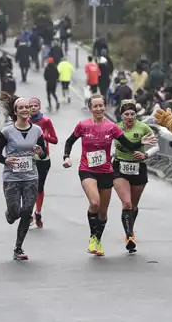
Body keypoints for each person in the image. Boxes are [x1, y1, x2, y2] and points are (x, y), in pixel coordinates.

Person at [62, 94, 157, 256]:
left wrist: (141, 143)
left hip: (106, 171)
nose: (98, 109)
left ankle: (98, 240)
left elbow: (128, 146)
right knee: (95, 203)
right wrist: (66, 157)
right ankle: (93, 238)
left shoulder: (112, 127)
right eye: (95, 106)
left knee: (103, 212)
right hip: (87, 169)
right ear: (90, 108)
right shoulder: (83, 125)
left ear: (105, 107)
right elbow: (70, 141)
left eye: (101, 106)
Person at [0, 95, 48, 260]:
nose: (25, 110)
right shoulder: (7, 131)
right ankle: (10, 214)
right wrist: (5, 160)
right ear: (15, 111)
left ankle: (18, 247)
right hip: (12, 178)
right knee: (15, 212)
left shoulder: (37, 130)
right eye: (21, 108)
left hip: (31, 176)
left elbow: (43, 152)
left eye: (27, 107)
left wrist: (40, 152)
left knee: (26, 212)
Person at [112, 100, 159, 253]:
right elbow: (108, 145)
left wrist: (145, 154)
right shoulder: (116, 128)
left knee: (133, 205)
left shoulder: (143, 127)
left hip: (138, 168)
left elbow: (156, 146)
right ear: (121, 115)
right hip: (120, 167)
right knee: (126, 203)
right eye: (126, 114)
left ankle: (129, 227)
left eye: (132, 114)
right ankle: (130, 236)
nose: (130, 116)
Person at [29, 97, 58, 228]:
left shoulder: (45, 121)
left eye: (36, 105)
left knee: (39, 187)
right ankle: (28, 214)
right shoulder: (25, 120)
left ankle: (38, 212)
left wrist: (42, 135)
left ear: (39, 107)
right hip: (28, 157)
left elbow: (55, 139)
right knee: (27, 186)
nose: (33, 108)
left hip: (42, 158)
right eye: (31, 106)